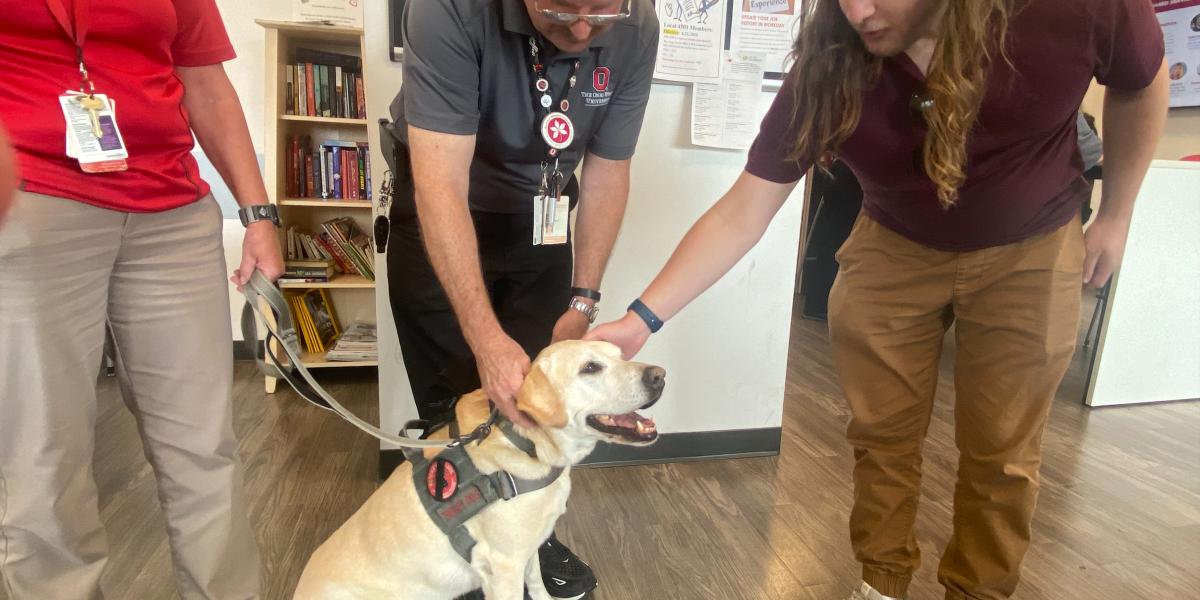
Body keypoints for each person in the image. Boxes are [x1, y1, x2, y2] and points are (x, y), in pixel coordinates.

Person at [588, 0, 1168, 598]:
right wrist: (641, 319)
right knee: (881, 436)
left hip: (1031, 243)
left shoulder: (1078, 10)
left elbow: (1141, 82)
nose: (859, 11)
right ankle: (882, 581)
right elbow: (744, 210)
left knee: (1002, 451)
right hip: (893, 240)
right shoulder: (829, 64)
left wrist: (1118, 213)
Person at [0, 1, 282, 598]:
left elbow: (205, 83)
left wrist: (258, 214)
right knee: (42, 457)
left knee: (205, 448)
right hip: (29, 203)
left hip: (170, 209)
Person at [384, 0, 658, 597]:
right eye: (560, 10)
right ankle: (451, 552)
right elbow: (440, 184)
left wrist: (584, 300)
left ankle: (529, 534)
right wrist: (484, 339)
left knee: (540, 408)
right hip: (444, 213)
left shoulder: (637, 22)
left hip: (543, 220)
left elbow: (610, 166)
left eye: (601, 14)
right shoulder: (449, 10)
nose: (583, 32)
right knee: (454, 409)